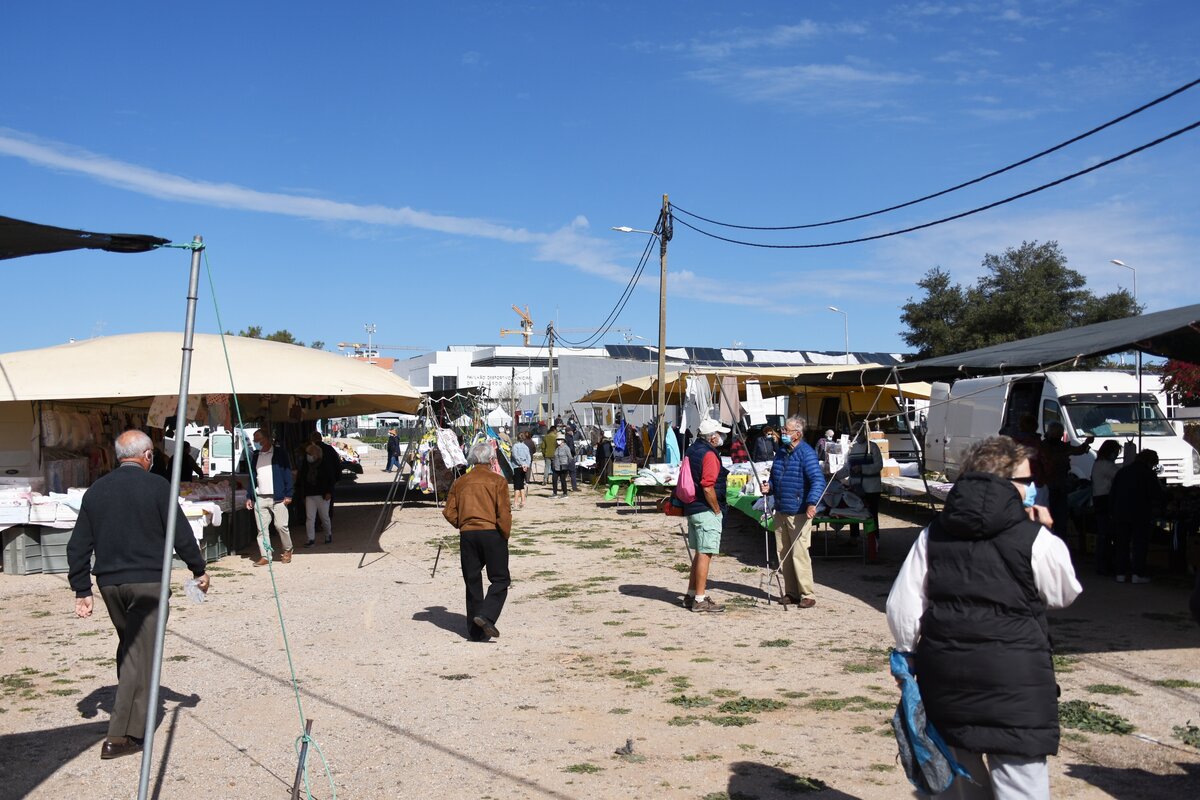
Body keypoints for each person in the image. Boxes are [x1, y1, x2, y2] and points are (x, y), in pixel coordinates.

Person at [886, 435, 1081, 800]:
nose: (1033, 488)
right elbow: (1063, 592)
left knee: (963, 787)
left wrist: (905, 654)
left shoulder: (933, 534)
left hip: (945, 677)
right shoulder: (1033, 538)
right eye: (1027, 481)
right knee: (1021, 790)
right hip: (1015, 684)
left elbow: (903, 606)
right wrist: (1046, 532)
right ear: (1006, 484)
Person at [67, 430, 211, 760]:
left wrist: (81, 589)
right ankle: (120, 736)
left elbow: (77, 546)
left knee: (131, 649)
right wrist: (198, 569)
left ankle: (132, 714)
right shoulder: (159, 486)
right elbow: (181, 533)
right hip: (147, 583)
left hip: (110, 584)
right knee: (138, 655)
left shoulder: (96, 491)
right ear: (147, 456)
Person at [443, 442, 512, 641]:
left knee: (472, 580)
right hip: (492, 533)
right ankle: (486, 615)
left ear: (473, 459)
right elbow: (503, 513)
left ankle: (475, 633)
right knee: (500, 579)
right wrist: (504, 535)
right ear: (491, 460)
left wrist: (463, 524)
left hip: (468, 534)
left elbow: (449, 511)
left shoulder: (460, 482)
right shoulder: (498, 481)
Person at [762, 415, 826, 608]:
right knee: (783, 553)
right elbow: (774, 477)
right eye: (783, 430)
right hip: (781, 509)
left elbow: (818, 480)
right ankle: (791, 592)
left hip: (798, 511)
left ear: (797, 434)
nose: (783, 433)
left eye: (786, 431)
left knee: (799, 553)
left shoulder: (806, 453)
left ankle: (807, 593)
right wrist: (769, 487)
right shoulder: (781, 452)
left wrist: (812, 502)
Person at [681, 418, 731, 613]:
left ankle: (692, 594)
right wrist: (717, 509)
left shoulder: (693, 449)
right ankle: (700, 599)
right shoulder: (709, 455)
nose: (722, 437)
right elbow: (708, 486)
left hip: (692, 507)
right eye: (720, 434)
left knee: (699, 553)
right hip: (705, 509)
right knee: (705, 553)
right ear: (712, 437)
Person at [1109, 449, 1164, 584]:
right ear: (1150, 461)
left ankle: (1120, 573)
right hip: (1140, 513)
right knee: (1139, 543)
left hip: (1121, 512)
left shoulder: (1123, 471)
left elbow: (1113, 492)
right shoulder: (1148, 473)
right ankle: (1137, 573)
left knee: (1122, 543)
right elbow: (1156, 494)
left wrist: (1112, 510)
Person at [245, 428, 294, 566]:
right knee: (262, 529)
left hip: (278, 497)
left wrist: (289, 494)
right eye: (255, 440)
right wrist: (250, 496)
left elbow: (287, 473)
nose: (256, 442)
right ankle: (265, 555)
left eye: (258, 439)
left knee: (281, 526)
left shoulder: (279, 453)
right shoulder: (255, 456)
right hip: (260, 496)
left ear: (266, 439)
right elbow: (253, 476)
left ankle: (287, 549)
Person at [1041, 422, 1094, 541]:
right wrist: (1086, 443)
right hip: (1057, 486)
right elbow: (1079, 450)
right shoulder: (1061, 447)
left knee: (1051, 517)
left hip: (1049, 486)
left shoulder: (1043, 446)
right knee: (1060, 518)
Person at [838, 427, 883, 541]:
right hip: (856, 488)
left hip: (872, 488)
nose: (856, 436)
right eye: (853, 434)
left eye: (857, 433)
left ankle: (874, 541)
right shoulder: (851, 449)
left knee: (872, 515)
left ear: (864, 433)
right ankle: (854, 538)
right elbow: (847, 468)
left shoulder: (873, 447)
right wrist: (834, 476)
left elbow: (879, 466)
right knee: (853, 513)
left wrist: (862, 468)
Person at [1089, 440, 1121, 575]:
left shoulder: (1098, 464)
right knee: (1106, 534)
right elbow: (1119, 475)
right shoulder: (1106, 465)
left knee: (1104, 534)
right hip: (1105, 500)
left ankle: (1102, 564)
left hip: (1098, 499)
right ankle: (1104, 565)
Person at [298, 442, 338, 546]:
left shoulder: (324, 465)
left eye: (310, 454)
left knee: (324, 516)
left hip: (322, 494)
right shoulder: (305, 465)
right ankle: (310, 539)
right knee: (310, 518)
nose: (308, 456)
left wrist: (329, 492)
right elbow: (302, 479)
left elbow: (330, 479)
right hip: (309, 494)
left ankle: (328, 534)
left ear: (316, 454)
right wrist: (302, 494)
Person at [510, 431, 532, 510]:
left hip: (517, 466)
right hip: (524, 467)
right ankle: (523, 501)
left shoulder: (515, 446)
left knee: (516, 486)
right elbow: (529, 457)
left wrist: (521, 464)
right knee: (522, 485)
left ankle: (515, 502)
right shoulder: (526, 447)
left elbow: (515, 456)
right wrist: (526, 465)